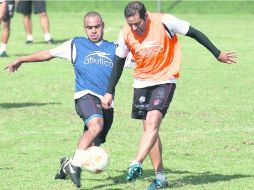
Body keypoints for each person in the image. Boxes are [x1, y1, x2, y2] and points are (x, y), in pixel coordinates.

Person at [102, 1, 237, 190]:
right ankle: (160, 178)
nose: (134, 28)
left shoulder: (166, 21)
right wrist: (109, 92)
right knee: (149, 130)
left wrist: (217, 53)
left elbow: (195, 33)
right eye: (130, 24)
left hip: (165, 78)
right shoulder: (125, 33)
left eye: (137, 24)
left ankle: (136, 162)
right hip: (141, 81)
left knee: (152, 123)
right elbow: (118, 62)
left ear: (146, 16)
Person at [5, 11, 116, 188]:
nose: (93, 31)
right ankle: (76, 167)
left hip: (107, 104)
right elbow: (48, 54)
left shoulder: (115, 49)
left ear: (103, 25)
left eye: (97, 26)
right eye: (89, 27)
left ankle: (68, 165)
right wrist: (22, 59)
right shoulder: (76, 44)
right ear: (84, 28)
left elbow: (140, 62)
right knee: (96, 125)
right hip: (85, 96)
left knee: (92, 145)